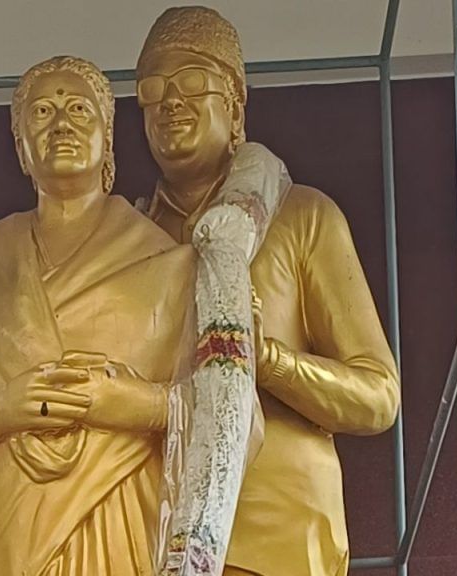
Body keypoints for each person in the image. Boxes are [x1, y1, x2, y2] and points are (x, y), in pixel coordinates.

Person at [0, 56, 195, 576]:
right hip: (12, 525)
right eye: (42, 112)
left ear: (107, 138)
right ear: (20, 148)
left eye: (78, 109)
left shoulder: (171, 264)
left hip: (125, 513)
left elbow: (233, 416)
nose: (62, 124)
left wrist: (138, 404)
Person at [136, 7, 402, 576]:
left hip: (282, 528)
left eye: (191, 83)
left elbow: (378, 395)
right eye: (151, 91)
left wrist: (269, 360)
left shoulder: (301, 216)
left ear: (234, 105)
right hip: (149, 524)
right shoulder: (126, 241)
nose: (170, 103)